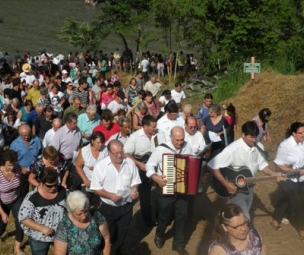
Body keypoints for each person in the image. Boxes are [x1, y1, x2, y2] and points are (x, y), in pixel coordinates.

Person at [207, 121, 283, 220]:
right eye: (251, 137)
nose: (254, 140)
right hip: (236, 189)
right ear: (243, 135)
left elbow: (262, 165)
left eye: (255, 136)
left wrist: (275, 173)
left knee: (245, 214)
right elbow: (212, 165)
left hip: (249, 186)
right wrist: (226, 184)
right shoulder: (232, 149)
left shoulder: (259, 147)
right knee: (244, 218)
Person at [146, 126, 193, 255]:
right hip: (165, 186)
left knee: (182, 215)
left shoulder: (187, 146)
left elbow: (193, 162)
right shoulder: (161, 149)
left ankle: (178, 244)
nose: (179, 143)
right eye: (177, 140)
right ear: (171, 137)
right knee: (165, 215)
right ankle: (159, 234)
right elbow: (149, 165)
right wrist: (156, 177)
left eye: (182, 140)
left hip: (182, 188)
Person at [90, 140, 141, 255]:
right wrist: (110, 195)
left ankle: (116, 251)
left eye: (121, 152)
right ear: (109, 153)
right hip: (108, 208)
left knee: (122, 234)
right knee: (108, 235)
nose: (119, 155)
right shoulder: (100, 166)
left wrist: (134, 191)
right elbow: (96, 188)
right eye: (116, 153)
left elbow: (135, 181)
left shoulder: (129, 163)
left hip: (126, 207)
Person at [124, 115, 166, 227]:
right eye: (153, 126)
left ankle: (160, 217)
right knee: (145, 196)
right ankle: (147, 219)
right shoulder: (134, 137)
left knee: (160, 192)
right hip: (142, 168)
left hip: (157, 167)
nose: (155, 128)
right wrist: (138, 163)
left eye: (155, 125)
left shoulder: (160, 134)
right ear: (145, 126)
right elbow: (126, 153)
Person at [18, 167, 66, 255]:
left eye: (55, 184)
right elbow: (24, 219)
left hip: (61, 236)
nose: (53, 188)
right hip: (40, 237)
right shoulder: (32, 197)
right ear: (41, 183)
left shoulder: (62, 191)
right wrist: (42, 228)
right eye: (49, 186)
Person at [270, 122, 304, 239]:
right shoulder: (285, 145)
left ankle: (275, 219)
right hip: (285, 177)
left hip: (300, 177)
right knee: (297, 202)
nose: (303, 135)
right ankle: (301, 228)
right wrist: (293, 171)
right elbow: (278, 164)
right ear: (294, 133)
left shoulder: (302, 143)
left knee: (286, 199)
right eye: (301, 133)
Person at [54, 190, 111, 255]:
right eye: (79, 214)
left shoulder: (97, 216)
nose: (84, 216)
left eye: (86, 211)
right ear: (70, 211)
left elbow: (106, 238)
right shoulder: (64, 226)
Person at [0, 150, 24, 255]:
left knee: (21, 221)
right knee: (2, 225)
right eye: (9, 165)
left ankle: (17, 247)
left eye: (13, 164)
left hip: (16, 199)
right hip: (2, 202)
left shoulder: (17, 167)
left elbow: (24, 172)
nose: (12, 167)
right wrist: (2, 213)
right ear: (3, 163)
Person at [75, 131, 108, 206]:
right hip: (88, 182)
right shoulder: (85, 151)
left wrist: (98, 167)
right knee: (86, 204)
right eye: (98, 142)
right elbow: (78, 166)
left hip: (102, 183)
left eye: (102, 142)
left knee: (100, 204)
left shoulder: (105, 150)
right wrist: (85, 180)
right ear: (92, 141)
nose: (101, 145)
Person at [10, 124, 42, 196]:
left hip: (36, 170)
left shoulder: (37, 140)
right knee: (23, 191)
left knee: (37, 190)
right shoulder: (14, 144)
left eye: (28, 135)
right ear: (20, 134)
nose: (27, 137)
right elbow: (11, 160)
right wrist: (21, 168)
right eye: (24, 135)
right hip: (22, 172)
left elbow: (41, 154)